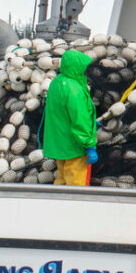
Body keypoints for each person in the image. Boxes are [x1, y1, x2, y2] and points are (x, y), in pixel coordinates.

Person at [43, 49, 98, 186]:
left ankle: (57, 207)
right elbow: (79, 119)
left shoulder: (56, 83)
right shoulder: (74, 89)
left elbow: (60, 112)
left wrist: (91, 121)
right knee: (76, 186)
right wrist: (89, 145)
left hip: (59, 144)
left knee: (61, 181)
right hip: (75, 147)